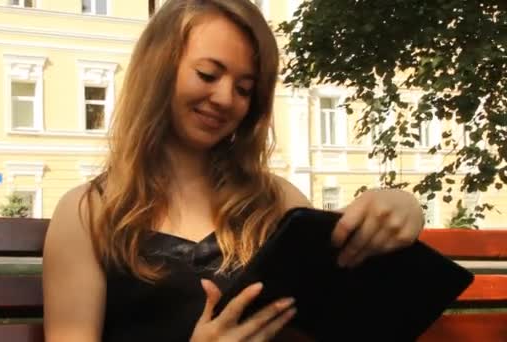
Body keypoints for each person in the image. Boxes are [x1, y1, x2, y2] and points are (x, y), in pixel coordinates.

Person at [42, 0, 425, 341]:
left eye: (244, 89)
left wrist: (401, 207)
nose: (225, 99)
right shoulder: (88, 212)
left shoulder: (278, 202)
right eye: (208, 75)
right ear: (158, 69)